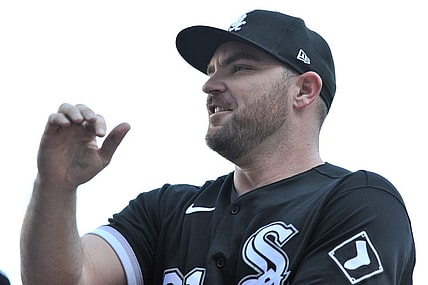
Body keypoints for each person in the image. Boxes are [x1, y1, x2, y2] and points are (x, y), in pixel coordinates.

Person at [20, 9, 415, 285]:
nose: (209, 85)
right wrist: (55, 186)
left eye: (240, 68)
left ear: (304, 90)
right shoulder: (165, 211)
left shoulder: (359, 202)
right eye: (211, 71)